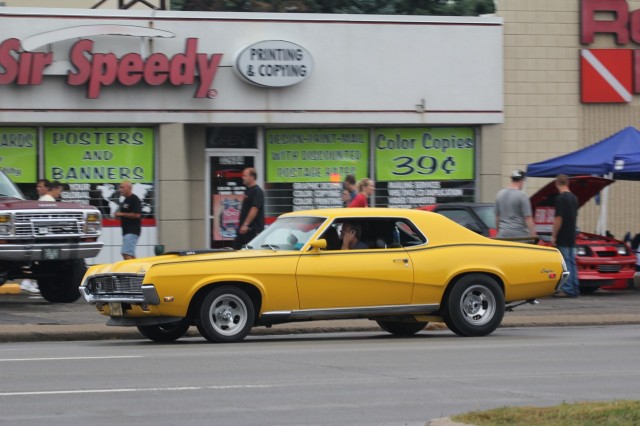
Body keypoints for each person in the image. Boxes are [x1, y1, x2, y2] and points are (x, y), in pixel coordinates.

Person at [552, 174, 580, 298]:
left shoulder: (560, 199)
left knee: (565, 263)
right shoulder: (574, 198)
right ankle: (574, 287)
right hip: (572, 235)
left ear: (557, 184)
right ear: (567, 183)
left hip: (563, 235)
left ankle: (567, 288)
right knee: (572, 262)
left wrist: (553, 235)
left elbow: (559, 218)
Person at [494, 169, 537, 239]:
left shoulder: (499, 194)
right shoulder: (522, 195)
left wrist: (499, 232)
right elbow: (528, 218)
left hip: (503, 234)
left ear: (512, 179)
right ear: (522, 180)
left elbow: (497, 217)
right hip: (519, 235)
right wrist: (533, 235)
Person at [233, 167, 265, 250]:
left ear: (252, 177)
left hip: (251, 231)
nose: (242, 177)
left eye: (245, 175)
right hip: (244, 231)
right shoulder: (248, 190)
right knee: (236, 252)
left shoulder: (257, 191)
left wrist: (245, 224)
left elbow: (254, 209)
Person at [116, 181, 142, 260]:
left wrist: (121, 214)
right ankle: (140, 270)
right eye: (120, 187)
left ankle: (131, 271)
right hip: (126, 231)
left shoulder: (135, 199)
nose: (120, 189)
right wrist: (118, 216)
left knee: (125, 253)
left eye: (122, 187)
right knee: (131, 254)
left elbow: (137, 215)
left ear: (129, 188)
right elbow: (124, 213)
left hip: (132, 231)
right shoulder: (126, 200)